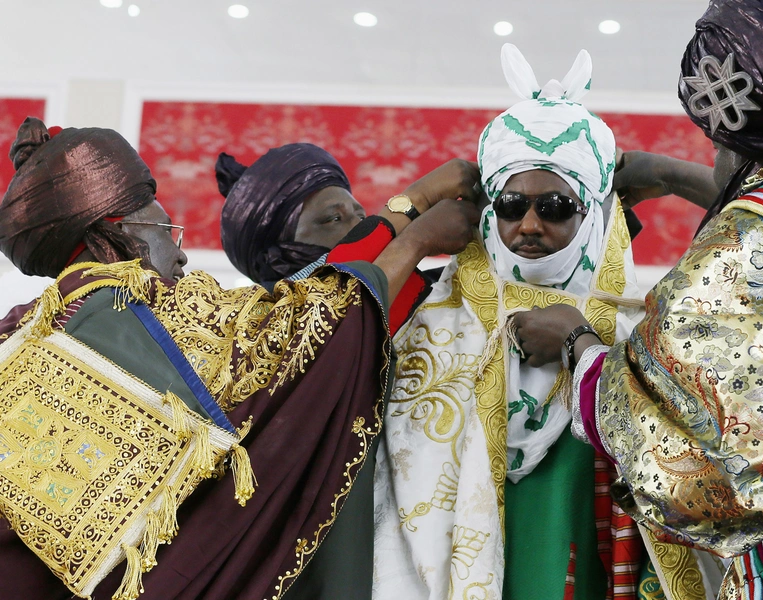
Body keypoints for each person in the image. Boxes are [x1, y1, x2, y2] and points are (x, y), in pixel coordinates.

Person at [0, 117, 477, 600]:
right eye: (169, 229)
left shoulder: (15, 339)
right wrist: (414, 226)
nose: (183, 257)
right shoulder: (139, 308)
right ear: (122, 230)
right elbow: (309, 334)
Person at [518, 1, 763, 597]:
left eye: (716, 143)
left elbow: (686, 444)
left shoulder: (744, 243)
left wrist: (578, 343)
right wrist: (674, 177)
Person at [373, 44, 653, 600]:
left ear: (592, 212)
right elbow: (323, 318)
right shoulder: (435, 316)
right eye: (508, 206)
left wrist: (583, 344)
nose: (528, 225)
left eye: (554, 208)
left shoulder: (633, 326)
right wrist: (412, 215)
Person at [216, 145, 483, 334]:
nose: (362, 227)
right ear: (276, 258)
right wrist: (417, 206)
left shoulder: (430, 291)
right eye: (333, 219)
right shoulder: (262, 329)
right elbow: (334, 317)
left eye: (362, 215)